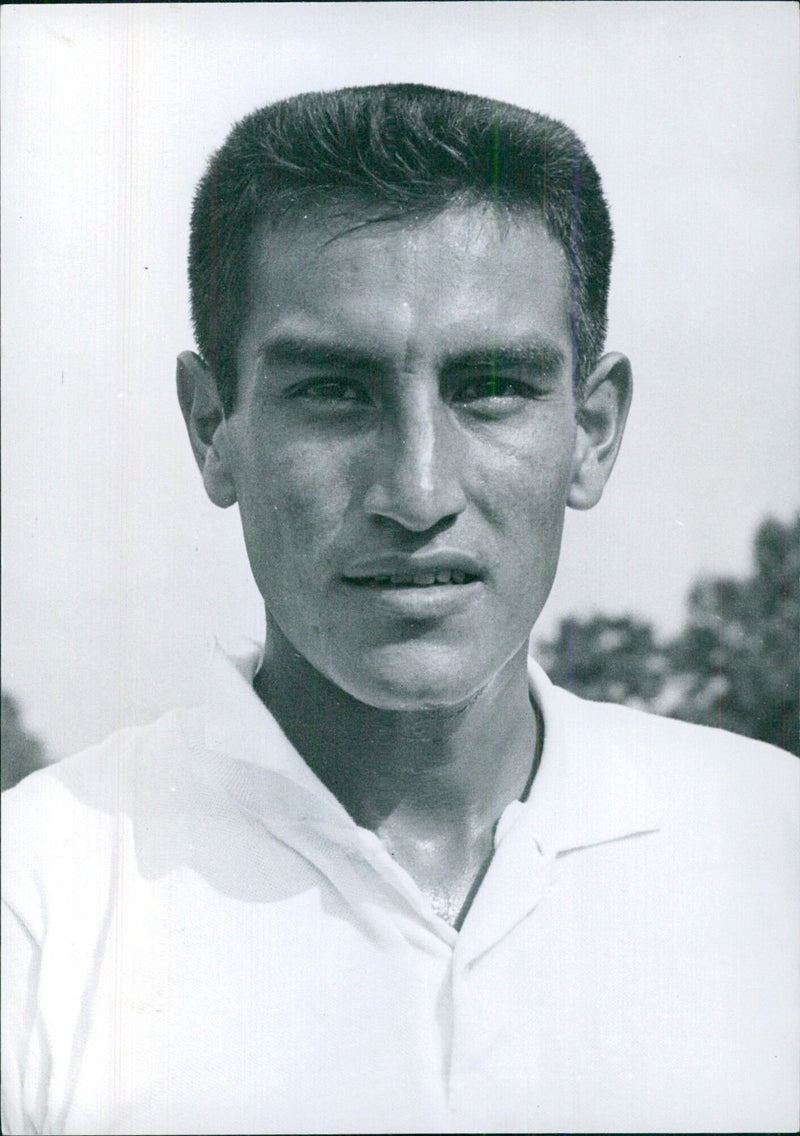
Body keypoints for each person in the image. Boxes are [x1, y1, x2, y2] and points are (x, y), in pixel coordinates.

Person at [2, 84, 797, 1135]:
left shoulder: (771, 848)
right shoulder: (36, 896)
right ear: (212, 427)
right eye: (334, 390)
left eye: (492, 385)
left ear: (591, 430)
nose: (417, 491)